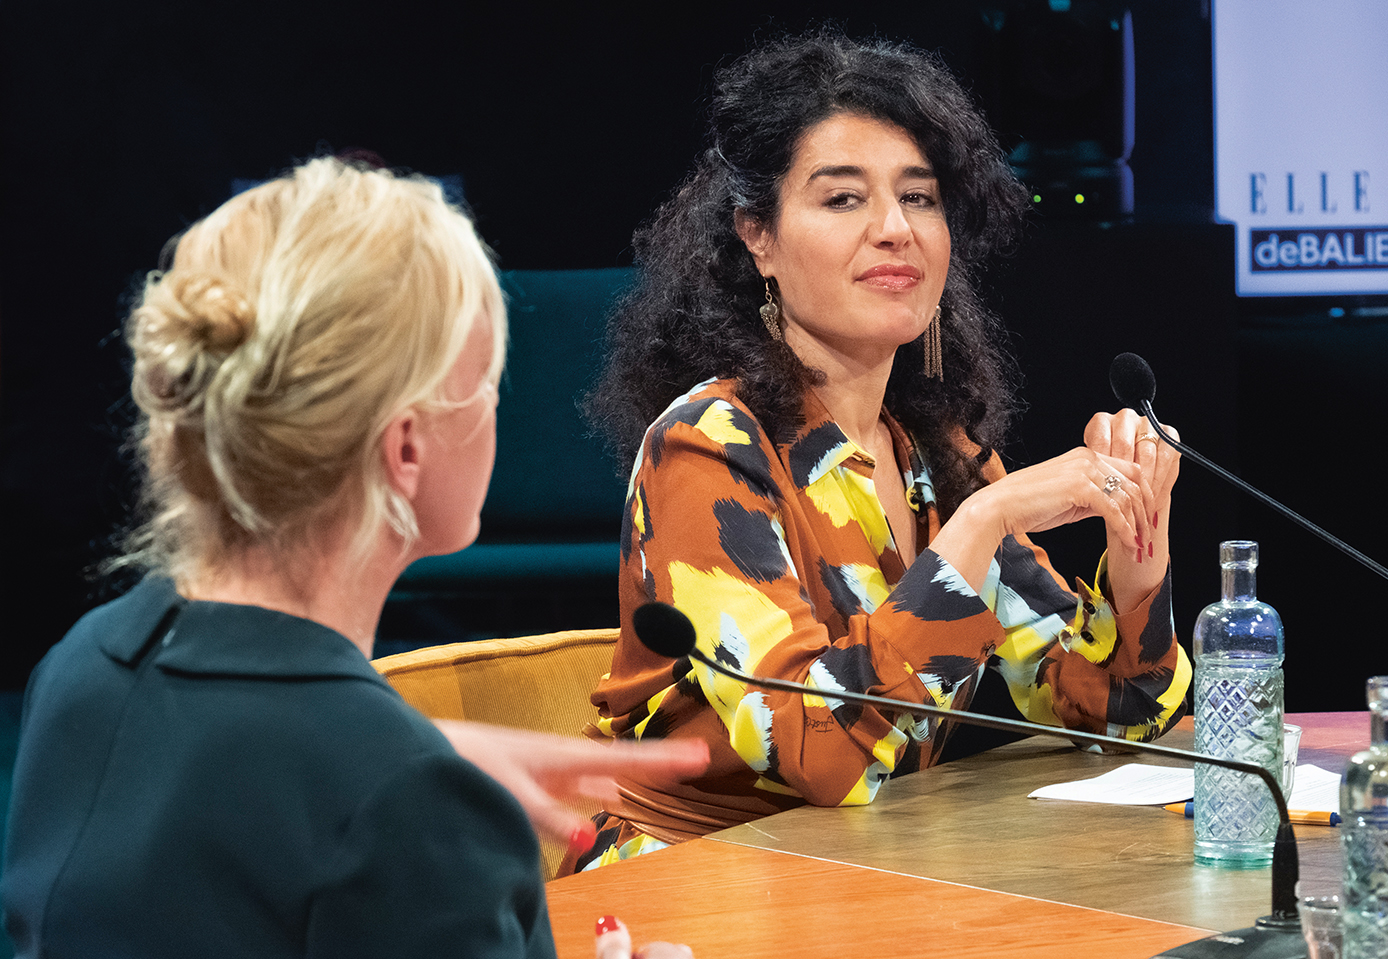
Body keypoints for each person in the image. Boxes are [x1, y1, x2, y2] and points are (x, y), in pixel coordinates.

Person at [1, 157, 699, 958]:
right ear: (406, 447)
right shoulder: (414, 804)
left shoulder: (81, 667)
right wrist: (403, 773)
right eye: (488, 384)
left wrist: (396, 750)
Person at [577, 33, 1191, 871]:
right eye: (842, 200)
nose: (895, 229)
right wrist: (985, 521)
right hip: (691, 879)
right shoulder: (703, 447)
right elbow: (817, 751)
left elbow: (1116, 713)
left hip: (862, 869)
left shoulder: (936, 452)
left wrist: (1136, 555)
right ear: (758, 235)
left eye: (920, 198)